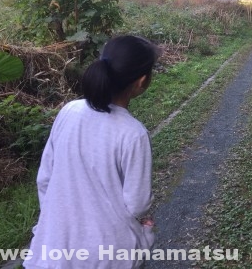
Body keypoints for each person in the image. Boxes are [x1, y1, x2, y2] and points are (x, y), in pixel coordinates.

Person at [24, 35, 161, 269]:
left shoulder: (69, 111)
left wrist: (53, 224)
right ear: (141, 82)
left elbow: (45, 178)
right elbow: (137, 204)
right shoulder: (133, 133)